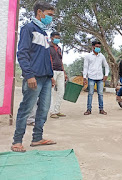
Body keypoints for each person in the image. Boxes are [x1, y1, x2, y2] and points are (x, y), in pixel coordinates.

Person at [11, 1, 56, 152]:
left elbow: (45, 56)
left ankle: (37, 138)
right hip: (34, 77)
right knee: (26, 108)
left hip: (46, 78)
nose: (51, 18)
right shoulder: (28, 29)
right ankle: (17, 141)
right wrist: (29, 75)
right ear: (39, 13)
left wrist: (51, 75)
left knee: (43, 109)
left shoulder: (44, 33)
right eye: (49, 15)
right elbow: (22, 53)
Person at [83, 41, 109, 115]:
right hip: (91, 77)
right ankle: (88, 109)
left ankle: (101, 109)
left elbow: (106, 66)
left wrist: (106, 75)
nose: (98, 48)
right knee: (90, 93)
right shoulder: (88, 56)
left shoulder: (102, 56)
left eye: (99, 47)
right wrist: (84, 77)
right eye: (97, 46)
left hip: (100, 78)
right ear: (93, 47)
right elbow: (85, 67)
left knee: (100, 94)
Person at [49, 32, 68, 118]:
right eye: (56, 37)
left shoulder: (59, 48)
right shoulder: (48, 47)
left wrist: (64, 72)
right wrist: (50, 74)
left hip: (60, 71)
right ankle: (52, 112)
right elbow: (48, 61)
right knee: (51, 92)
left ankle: (57, 110)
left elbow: (61, 61)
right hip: (52, 71)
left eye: (58, 38)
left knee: (61, 91)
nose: (57, 39)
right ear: (51, 38)